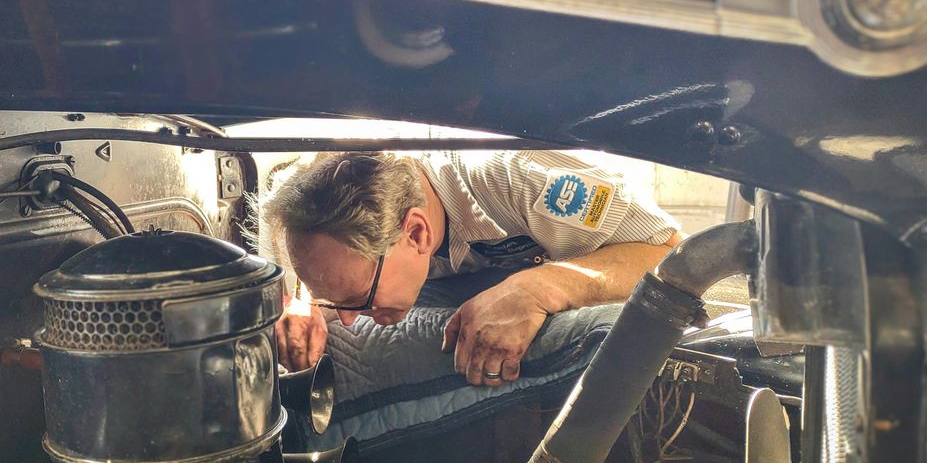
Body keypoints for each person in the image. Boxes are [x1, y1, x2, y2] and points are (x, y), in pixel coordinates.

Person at [259, 150, 681, 386]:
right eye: (338, 302)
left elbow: (669, 253)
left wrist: (537, 288)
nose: (348, 320)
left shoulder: (517, 179)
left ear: (417, 233)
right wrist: (304, 299)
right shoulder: (317, 206)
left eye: (359, 300)